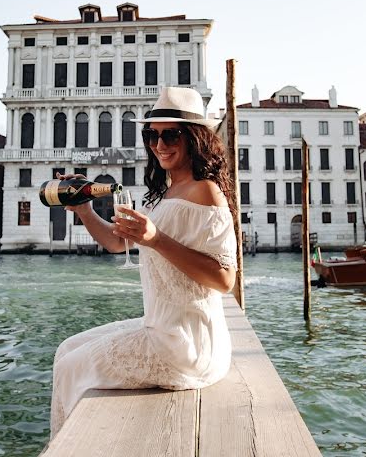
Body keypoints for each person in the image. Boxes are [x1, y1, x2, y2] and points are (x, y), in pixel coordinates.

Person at [49, 87, 238, 438]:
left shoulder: (206, 190)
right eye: (151, 135)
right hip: (162, 329)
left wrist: (156, 239)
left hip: (187, 345)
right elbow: (117, 243)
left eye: (170, 135)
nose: (159, 144)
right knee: (66, 350)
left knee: (72, 368)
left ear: (195, 138)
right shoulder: (166, 193)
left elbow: (225, 278)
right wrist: (84, 210)